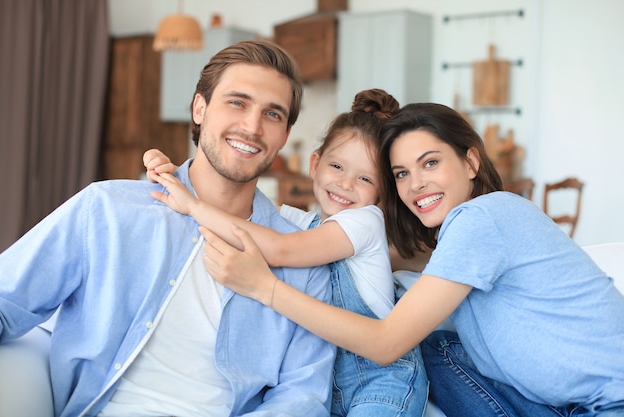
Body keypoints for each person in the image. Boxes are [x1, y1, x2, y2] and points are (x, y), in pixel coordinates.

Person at [197, 102, 624, 417]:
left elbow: (386, 344)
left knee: (418, 348)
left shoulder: (485, 218)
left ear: (470, 161)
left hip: (610, 402)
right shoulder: (454, 240)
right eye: (401, 174)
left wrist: (265, 287)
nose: (416, 184)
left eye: (431, 163)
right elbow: (360, 247)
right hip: (559, 405)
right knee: (437, 348)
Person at [0, 39, 336, 417]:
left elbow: (303, 396)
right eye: (237, 102)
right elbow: (4, 299)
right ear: (199, 108)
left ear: (285, 136)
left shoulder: (304, 263)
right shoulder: (108, 210)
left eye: (273, 114)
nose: (252, 127)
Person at [143, 88, 428, 417]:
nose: (345, 183)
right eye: (337, 166)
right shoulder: (299, 222)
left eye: (365, 177)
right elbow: (242, 214)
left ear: (382, 192)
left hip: (383, 384)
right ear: (315, 164)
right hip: (326, 386)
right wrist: (171, 172)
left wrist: (192, 205)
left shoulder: (363, 223)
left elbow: (277, 249)